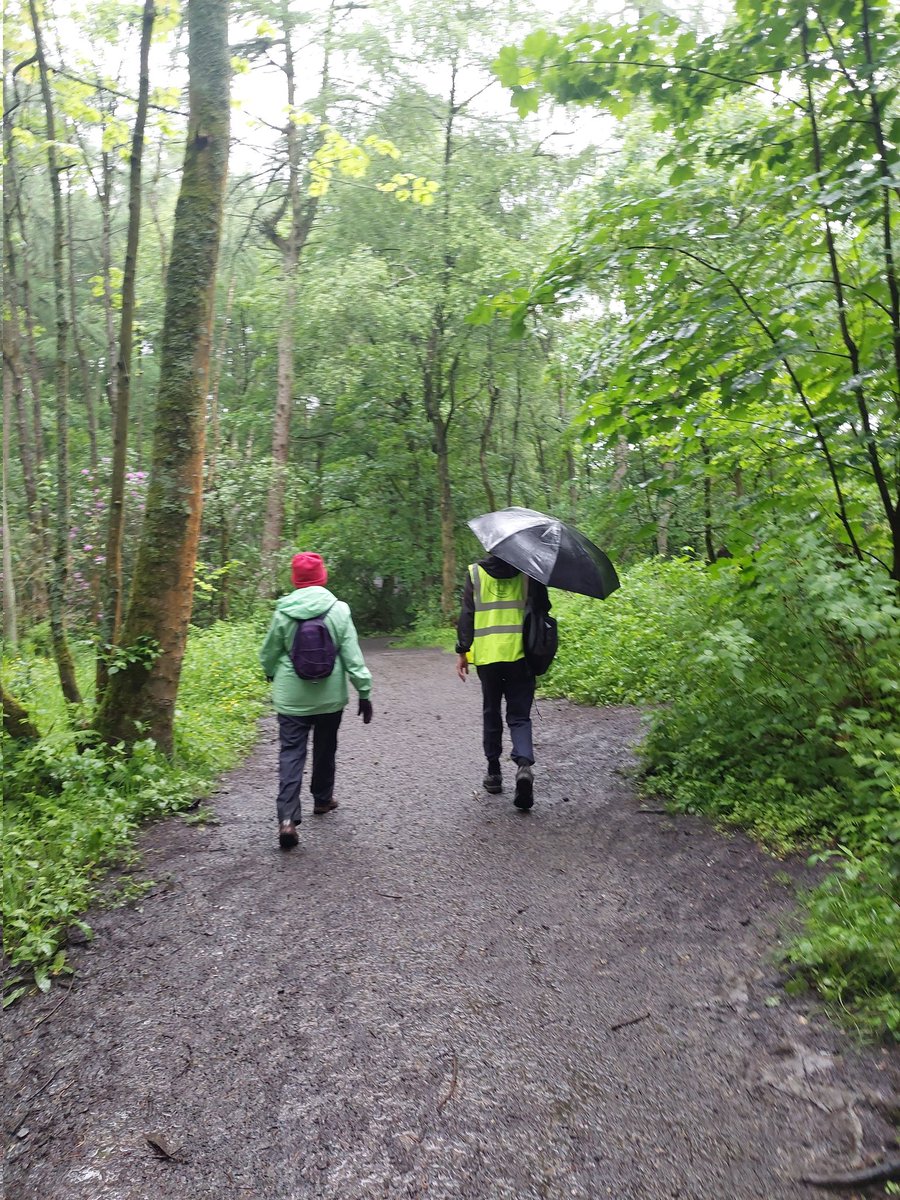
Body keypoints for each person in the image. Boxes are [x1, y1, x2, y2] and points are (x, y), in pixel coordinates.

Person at [260, 552, 373, 850]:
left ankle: (286, 818)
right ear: (322, 576)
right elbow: (352, 655)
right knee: (325, 747)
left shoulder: (283, 611)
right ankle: (322, 799)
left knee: (291, 753)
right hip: (329, 697)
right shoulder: (339, 610)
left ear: (295, 579)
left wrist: (271, 673)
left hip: (291, 697)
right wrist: (364, 691)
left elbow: (269, 653)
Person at [455, 553, 549, 811]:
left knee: (491, 712)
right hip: (520, 656)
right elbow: (543, 609)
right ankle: (524, 766)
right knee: (519, 716)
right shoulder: (529, 573)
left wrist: (462, 651)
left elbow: (467, 614)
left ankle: (494, 773)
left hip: (487, 657)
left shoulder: (475, 572)